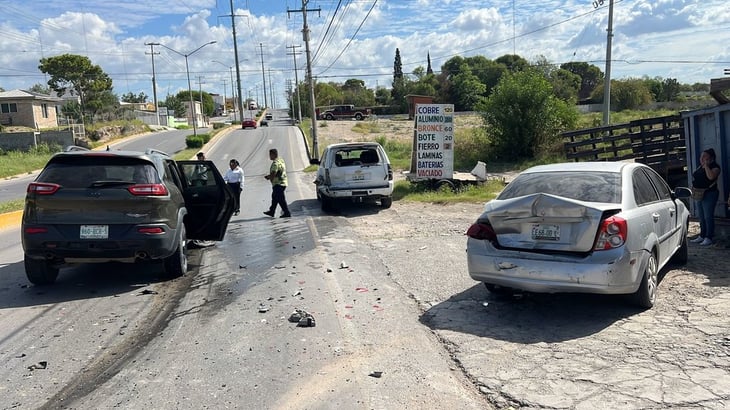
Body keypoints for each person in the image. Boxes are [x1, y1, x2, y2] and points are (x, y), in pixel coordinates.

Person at [690, 148, 721, 246]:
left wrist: (707, 166)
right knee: (701, 217)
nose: (702, 158)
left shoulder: (715, 167)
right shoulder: (700, 167)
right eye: (701, 156)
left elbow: (711, 177)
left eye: (705, 156)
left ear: (711, 158)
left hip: (709, 194)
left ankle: (709, 237)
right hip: (699, 194)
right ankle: (702, 235)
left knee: (708, 217)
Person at [263, 148, 291, 218]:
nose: (269, 156)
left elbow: (273, 173)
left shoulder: (275, 164)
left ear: (274, 154)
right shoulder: (280, 160)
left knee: (281, 199)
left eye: (270, 155)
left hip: (278, 183)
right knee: (274, 197)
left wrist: (269, 177)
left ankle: (287, 212)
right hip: (283, 182)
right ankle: (272, 211)